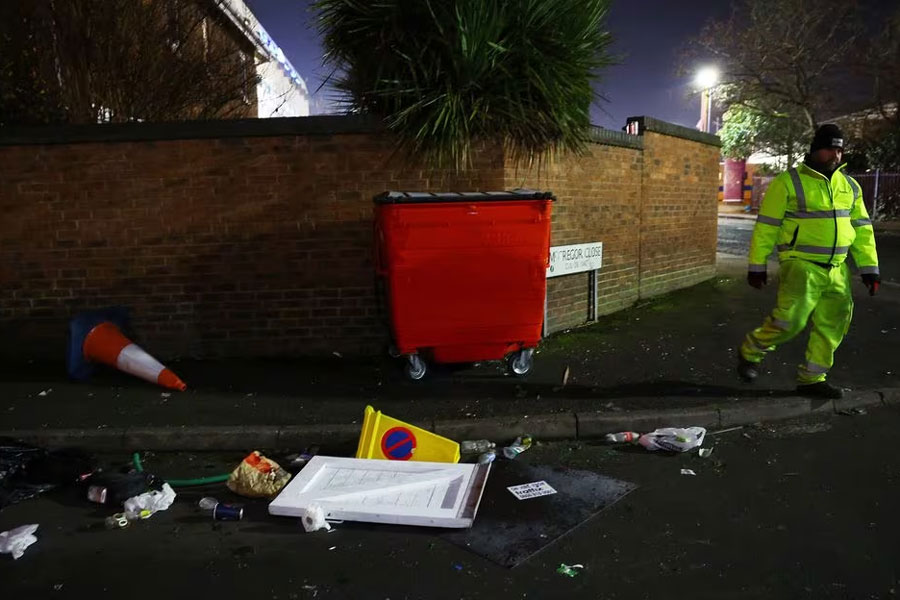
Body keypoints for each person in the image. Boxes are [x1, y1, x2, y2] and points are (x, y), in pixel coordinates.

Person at [737, 123, 880, 399]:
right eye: (829, 148)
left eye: (839, 149)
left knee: (833, 325)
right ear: (815, 149)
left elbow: (862, 229)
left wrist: (869, 269)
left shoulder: (850, 185)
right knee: (790, 320)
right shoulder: (788, 182)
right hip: (801, 264)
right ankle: (751, 349)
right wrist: (757, 265)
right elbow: (767, 226)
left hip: (837, 268)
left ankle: (812, 378)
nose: (835, 154)